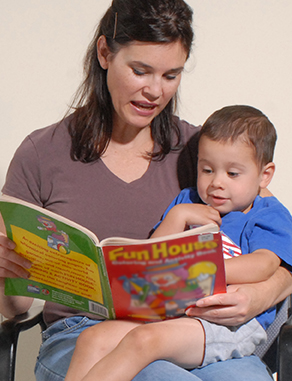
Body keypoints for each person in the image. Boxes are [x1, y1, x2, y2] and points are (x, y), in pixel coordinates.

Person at [0, 1, 291, 380]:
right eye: (140, 70)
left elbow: (269, 234)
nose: (154, 91)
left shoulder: (202, 154)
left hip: (187, 327)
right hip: (81, 334)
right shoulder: (42, 154)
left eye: (171, 75)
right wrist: (6, 276)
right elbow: (14, 306)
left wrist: (265, 293)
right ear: (104, 53)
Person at [64, 105, 292, 381]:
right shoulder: (188, 200)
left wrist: (192, 269)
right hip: (171, 314)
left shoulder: (267, 213)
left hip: (224, 324)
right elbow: (150, 257)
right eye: (207, 169)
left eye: (233, 174)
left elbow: (264, 265)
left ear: (264, 175)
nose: (217, 183)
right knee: (93, 337)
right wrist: (177, 216)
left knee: (144, 341)